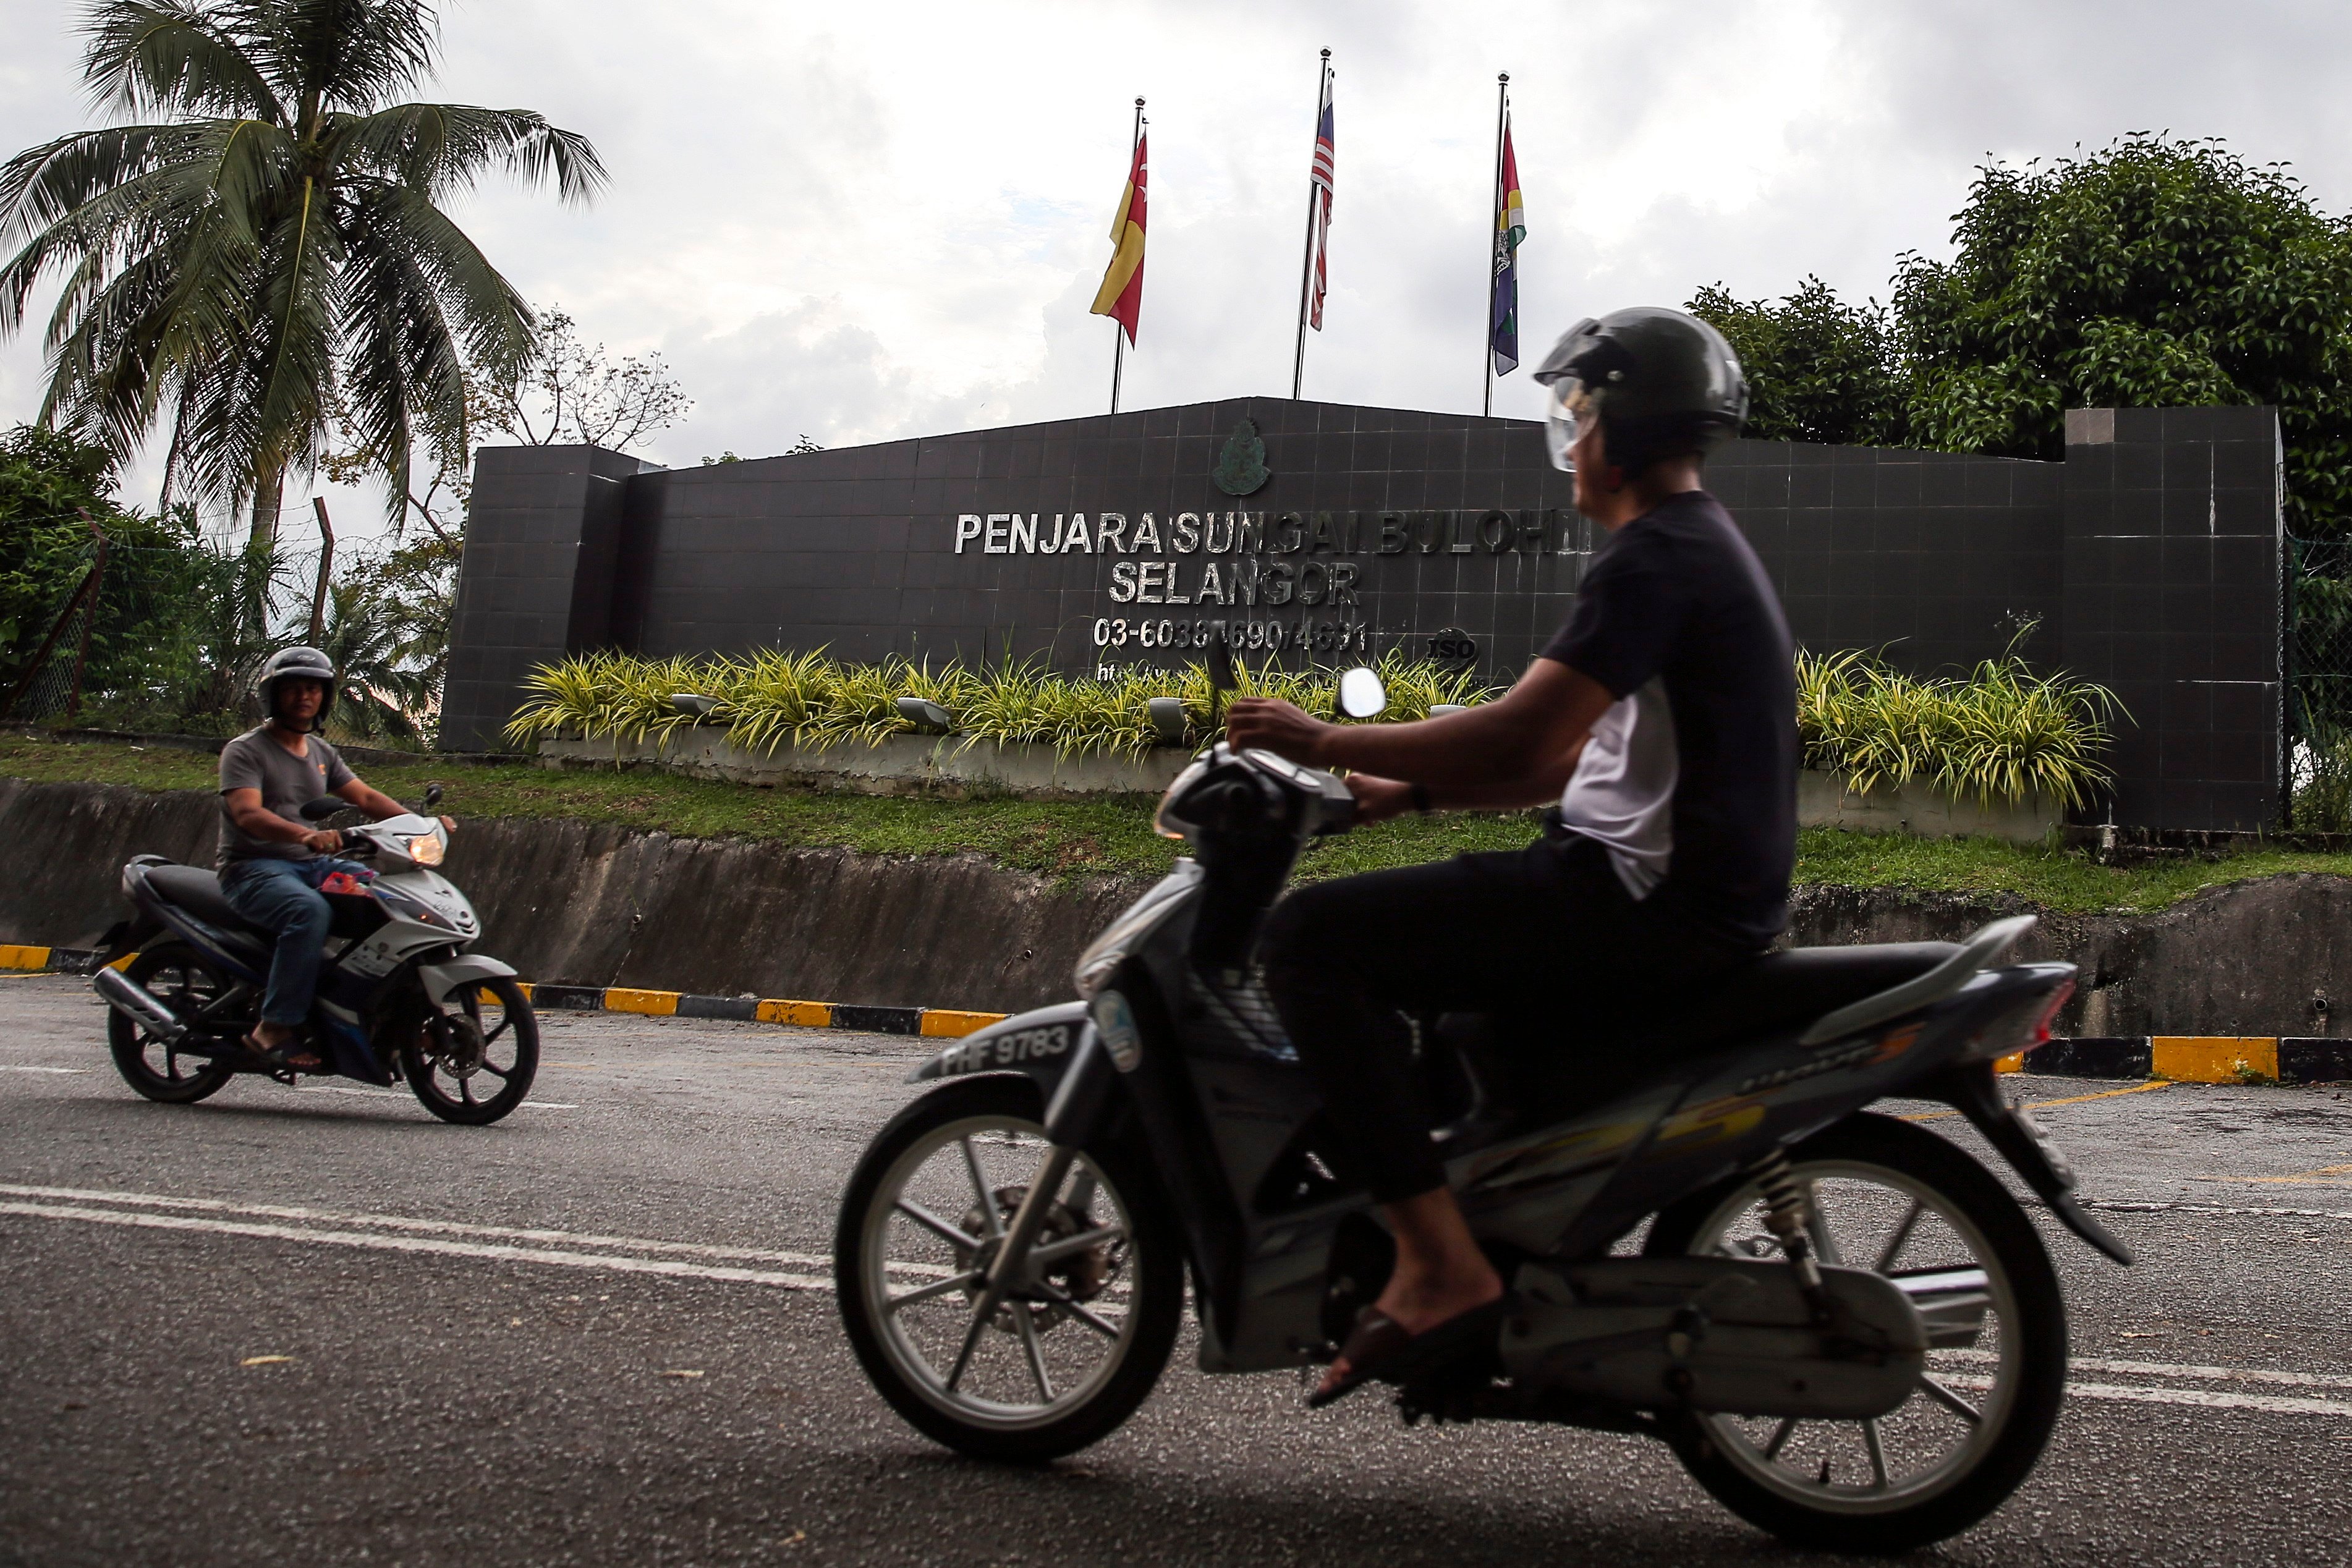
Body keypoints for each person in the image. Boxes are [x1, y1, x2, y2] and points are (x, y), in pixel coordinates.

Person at [1222, 307, 1797, 1407]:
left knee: (1310, 941)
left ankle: (1441, 1263)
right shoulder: (1697, 544)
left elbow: (1525, 733)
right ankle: (1478, 1229)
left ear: (1621, 432)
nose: (1568, 441)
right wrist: (1410, 791)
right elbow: (1576, 752)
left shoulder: (1652, 559)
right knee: (1455, 1021)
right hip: (1686, 900)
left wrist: (1323, 737)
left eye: (1578, 417)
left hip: (1642, 902)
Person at [216, 646, 441, 1072]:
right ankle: (274, 1026)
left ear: (325, 697)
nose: (305, 696)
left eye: (314, 689)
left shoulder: (320, 752)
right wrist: (305, 834)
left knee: (388, 897)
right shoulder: (245, 751)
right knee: (309, 913)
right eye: (295, 688)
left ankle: (377, 1010)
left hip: (313, 866)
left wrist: (423, 827)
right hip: (252, 870)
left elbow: (367, 798)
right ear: (273, 696)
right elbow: (247, 813)